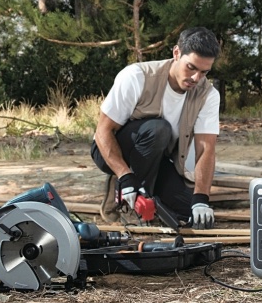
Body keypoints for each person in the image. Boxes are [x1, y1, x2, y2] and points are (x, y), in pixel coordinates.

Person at [91, 27, 221, 229]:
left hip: (158, 160)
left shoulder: (208, 95)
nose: (196, 78)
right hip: (113, 151)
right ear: (176, 53)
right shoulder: (137, 77)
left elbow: (206, 148)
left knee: (191, 213)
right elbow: (103, 131)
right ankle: (123, 192)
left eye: (204, 72)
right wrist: (126, 176)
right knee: (159, 129)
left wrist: (201, 198)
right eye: (191, 67)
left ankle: (144, 195)